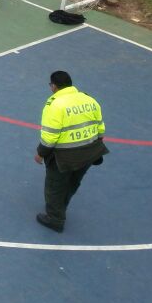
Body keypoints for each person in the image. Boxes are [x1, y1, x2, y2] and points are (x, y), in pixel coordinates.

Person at [34, 70, 109, 233]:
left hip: (64, 157)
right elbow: (100, 127)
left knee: (54, 186)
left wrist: (40, 153)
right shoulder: (89, 99)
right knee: (73, 182)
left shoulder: (54, 105)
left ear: (53, 86)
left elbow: (50, 136)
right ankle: (61, 207)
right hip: (90, 153)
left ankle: (55, 219)